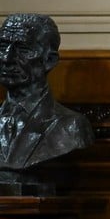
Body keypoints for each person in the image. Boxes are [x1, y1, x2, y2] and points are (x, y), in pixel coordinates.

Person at [0, 13, 94, 170]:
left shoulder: (71, 127)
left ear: (49, 60)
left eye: (23, 50)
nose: (6, 58)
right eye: (2, 47)